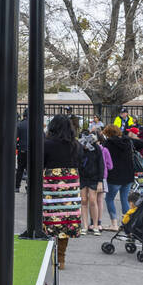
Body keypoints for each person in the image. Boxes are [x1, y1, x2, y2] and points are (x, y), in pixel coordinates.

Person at [43, 114, 82, 269]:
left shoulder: (46, 144)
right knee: (66, 222)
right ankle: (62, 259)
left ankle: (50, 257)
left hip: (51, 188)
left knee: (50, 221)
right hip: (71, 187)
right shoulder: (76, 145)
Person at [102, 124, 143, 225]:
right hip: (128, 174)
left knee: (109, 199)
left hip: (114, 175)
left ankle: (114, 223)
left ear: (108, 134)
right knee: (125, 199)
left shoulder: (108, 143)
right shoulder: (128, 141)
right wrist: (134, 137)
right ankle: (126, 223)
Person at [78, 132, 105, 234]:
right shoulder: (80, 149)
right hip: (83, 177)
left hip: (94, 177)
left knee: (93, 201)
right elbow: (77, 162)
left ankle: (95, 225)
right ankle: (84, 226)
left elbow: (101, 165)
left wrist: (100, 181)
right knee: (84, 200)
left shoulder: (96, 148)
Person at [15, 111, 30, 192]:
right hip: (31, 150)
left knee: (20, 169)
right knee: (30, 169)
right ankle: (29, 186)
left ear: (23, 116)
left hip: (22, 150)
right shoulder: (34, 124)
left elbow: (15, 137)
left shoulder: (20, 124)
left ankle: (17, 186)